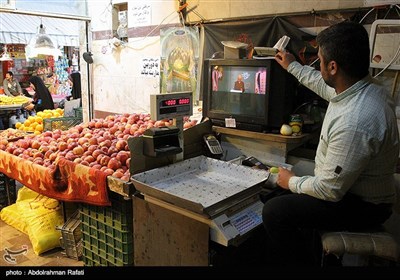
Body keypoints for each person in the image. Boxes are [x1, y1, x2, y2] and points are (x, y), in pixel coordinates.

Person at [262, 21, 399, 266]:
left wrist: (291, 181)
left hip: (363, 205)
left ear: (333, 67)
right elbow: (323, 85)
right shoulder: (364, 87)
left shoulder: (356, 120)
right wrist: (293, 66)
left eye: (321, 61)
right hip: (354, 191)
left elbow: (329, 191)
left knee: (274, 211)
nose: (319, 65)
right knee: (287, 199)